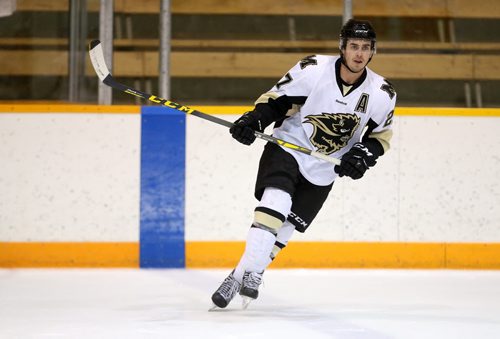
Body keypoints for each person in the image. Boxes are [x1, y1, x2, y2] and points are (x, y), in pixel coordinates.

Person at [210, 19, 396, 309]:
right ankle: (244, 276)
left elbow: (379, 138)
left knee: (284, 229)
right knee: (275, 205)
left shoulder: (381, 93)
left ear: (372, 51)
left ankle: (243, 273)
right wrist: (254, 119)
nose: (359, 53)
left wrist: (362, 156)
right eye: (353, 46)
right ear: (342, 47)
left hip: (324, 168)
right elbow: (276, 101)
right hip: (290, 146)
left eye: (365, 48)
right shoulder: (313, 69)